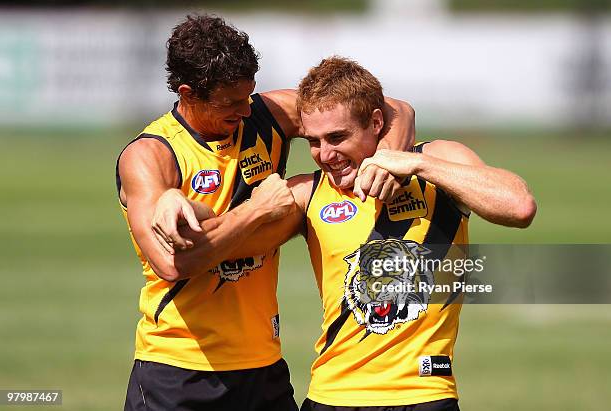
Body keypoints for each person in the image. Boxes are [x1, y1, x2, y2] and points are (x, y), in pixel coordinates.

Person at [154, 56, 536, 410]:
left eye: (337, 138)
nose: (325, 154)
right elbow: (218, 234)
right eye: (314, 142)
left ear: (374, 123)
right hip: (331, 397)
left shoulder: (438, 160)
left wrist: (415, 163)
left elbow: (518, 206)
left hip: (424, 394)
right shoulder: (310, 193)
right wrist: (175, 199)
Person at [116, 14, 415, 411]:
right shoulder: (150, 156)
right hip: (178, 370)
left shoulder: (264, 114)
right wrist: (259, 210)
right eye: (230, 103)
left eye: (249, 95)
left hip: (264, 366)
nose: (245, 111)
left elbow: (393, 109)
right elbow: (171, 262)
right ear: (188, 93)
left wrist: (387, 160)